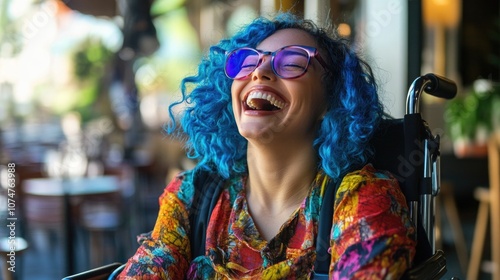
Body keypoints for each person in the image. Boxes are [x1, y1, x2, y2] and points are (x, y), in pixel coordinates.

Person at [118, 12, 416, 279]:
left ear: (331, 99)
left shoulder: (360, 199)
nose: (259, 72)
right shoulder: (190, 196)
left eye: (293, 62)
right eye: (247, 61)